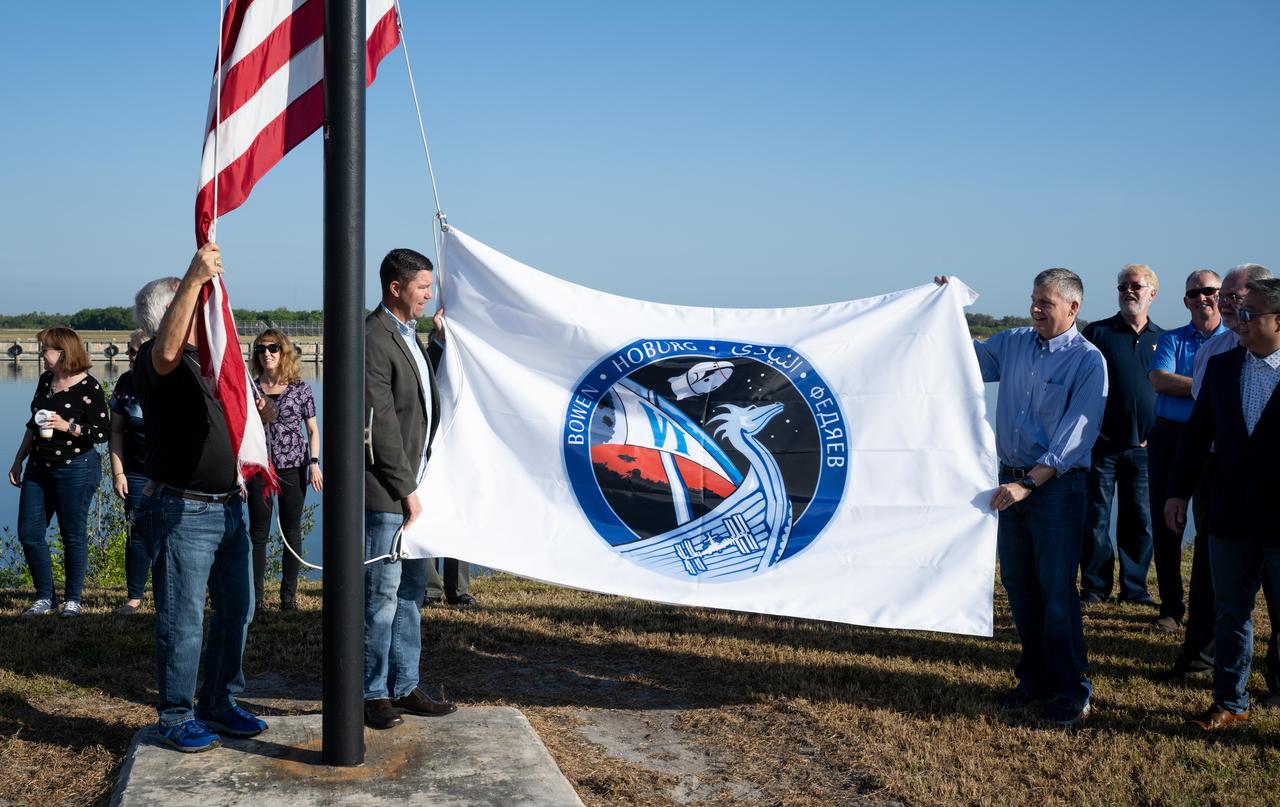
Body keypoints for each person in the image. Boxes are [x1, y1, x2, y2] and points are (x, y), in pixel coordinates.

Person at [938, 269, 1106, 727]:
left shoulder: (1088, 362)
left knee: (1056, 593)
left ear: (1072, 308)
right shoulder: (1011, 343)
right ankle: (1033, 680)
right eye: (1033, 300)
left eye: (1045, 303)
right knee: (1019, 588)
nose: (1035, 309)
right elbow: (963, 360)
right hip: (1008, 484)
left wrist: (1028, 484)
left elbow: (1075, 437)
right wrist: (945, 309)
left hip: (1053, 490)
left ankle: (1073, 689)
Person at [131, 243, 268, 752]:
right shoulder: (155, 358)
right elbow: (167, 351)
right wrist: (194, 275)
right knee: (183, 617)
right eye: (197, 301)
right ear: (174, 311)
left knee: (239, 609)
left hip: (230, 504)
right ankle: (175, 713)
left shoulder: (210, 362)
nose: (208, 306)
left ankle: (218, 701)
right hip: (185, 509)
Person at [1163, 278, 1280, 730]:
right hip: (1229, 513)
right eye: (1239, 309)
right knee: (1230, 611)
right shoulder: (1224, 366)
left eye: (1250, 313)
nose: (1239, 319)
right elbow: (1196, 436)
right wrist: (1177, 491)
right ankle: (1230, 700)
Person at [363, 247, 458, 730]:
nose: (429, 295)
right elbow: (378, 427)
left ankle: (404, 685)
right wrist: (406, 490)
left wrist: (438, 343)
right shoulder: (373, 339)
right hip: (389, 495)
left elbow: (422, 399)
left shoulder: (409, 334)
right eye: (423, 287)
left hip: (418, 492)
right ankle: (372, 692)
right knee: (381, 595)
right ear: (395, 288)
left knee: (411, 595)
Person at [8, 327, 109, 617]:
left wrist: (69, 426)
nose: (41, 354)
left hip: (76, 468)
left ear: (63, 352)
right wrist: (18, 459)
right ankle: (45, 597)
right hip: (39, 467)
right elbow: (34, 422)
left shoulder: (89, 387)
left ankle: (73, 599)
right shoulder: (46, 380)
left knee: (72, 535)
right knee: (29, 532)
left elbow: (101, 433)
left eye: (45, 349)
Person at [1147, 270, 1228, 631]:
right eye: (1194, 293)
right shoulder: (1171, 340)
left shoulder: (1235, 341)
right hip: (1170, 437)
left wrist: (1188, 386)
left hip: (1216, 443)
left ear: (1221, 295)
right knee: (1167, 525)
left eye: (1208, 291)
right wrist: (1211, 387)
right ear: (1185, 301)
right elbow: (1158, 379)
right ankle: (1171, 607)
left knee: (1211, 525)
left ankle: (1206, 608)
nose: (1202, 298)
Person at [1078, 264, 1163, 607]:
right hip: (1102, 446)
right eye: (1122, 286)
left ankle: (1135, 589)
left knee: (1139, 521)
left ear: (1152, 294)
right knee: (1095, 519)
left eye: (1136, 286)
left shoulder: (1164, 338)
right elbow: (1077, 383)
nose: (1128, 291)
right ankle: (1095, 588)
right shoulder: (1097, 333)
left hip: (1145, 448)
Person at [246, 329, 323, 612]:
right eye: (261, 349)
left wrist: (314, 463)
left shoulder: (301, 389)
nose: (266, 353)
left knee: (291, 531)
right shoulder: (251, 388)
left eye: (273, 348)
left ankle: (288, 597)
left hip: (293, 467)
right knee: (258, 533)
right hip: (260, 469)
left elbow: (313, 431)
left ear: (283, 352)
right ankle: (256, 598)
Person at [109, 329, 154, 615]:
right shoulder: (125, 382)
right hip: (136, 471)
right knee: (136, 531)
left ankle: (168, 594)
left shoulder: (169, 381)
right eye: (128, 351)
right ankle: (134, 597)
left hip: (172, 471)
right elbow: (115, 430)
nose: (129, 356)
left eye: (134, 351)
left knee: (171, 533)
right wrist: (118, 473)